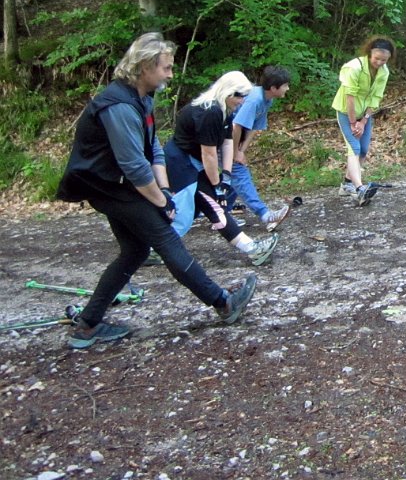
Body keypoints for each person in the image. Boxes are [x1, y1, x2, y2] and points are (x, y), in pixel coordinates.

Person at [56, 33, 257, 349]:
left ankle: (87, 325)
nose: (170, 75)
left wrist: (164, 189)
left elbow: (153, 148)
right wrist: (162, 202)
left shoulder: (141, 98)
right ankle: (223, 303)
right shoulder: (118, 106)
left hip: (120, 184)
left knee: (134, 251)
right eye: (165, 68)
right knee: (166, 238)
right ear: (145, 67)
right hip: (107, 187)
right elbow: (134, 165)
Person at [163, 71, 280, 264]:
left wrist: (225, 176)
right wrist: (217, 186)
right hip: (181, 163)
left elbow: (226, 143)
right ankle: (252, 249)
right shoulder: (210, 112)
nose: (242, 102)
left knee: (204, 208)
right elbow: (208, 154)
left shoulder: (224, 109)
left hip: (193, 162)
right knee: (200, 208)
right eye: (240, 97)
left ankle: (252, 249)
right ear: (228, 93)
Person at [333, 37, 394, 206]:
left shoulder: (384, 72)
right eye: (377, 58)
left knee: (364, 150)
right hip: (346, 112)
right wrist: (354, 123)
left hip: (364, 115)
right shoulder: (354, 68)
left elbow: (376, 98)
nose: (380, 62)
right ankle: (360, 189)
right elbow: (349, 97)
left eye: (384, 60)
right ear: (369, 54)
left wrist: (364, 120)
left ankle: (346, 185)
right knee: (355, 148)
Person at [232, 65, 292, 231]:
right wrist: (235, 153)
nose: (288, 88)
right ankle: (266, 215)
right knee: (238, 170)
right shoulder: (255, 100)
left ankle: (221, 214)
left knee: (230, 175)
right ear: (273, 88)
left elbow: (253, 127)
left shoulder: (268, 100)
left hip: (233, 138)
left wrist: (242, 150)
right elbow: (235, 126)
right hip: (221, 136)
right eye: (285, 85)